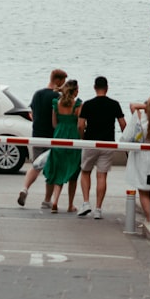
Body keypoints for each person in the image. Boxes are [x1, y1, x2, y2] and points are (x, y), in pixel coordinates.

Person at [77, 75, 127, 219]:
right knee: (102, 175)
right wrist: (125, 140)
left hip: (90, 142)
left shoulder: (87, 104)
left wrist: (82, 138)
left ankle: (86, 202)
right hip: (108, 143)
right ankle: (98, 209)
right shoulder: (114, 104)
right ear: (107, 88)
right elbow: (123, 124)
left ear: (94, 88)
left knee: (85, 172)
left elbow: (80, 125)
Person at [17, 68, 67, 209]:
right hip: (52, 137)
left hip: (37, 134)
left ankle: (25, 188)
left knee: (36, 165)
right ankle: (46, 200)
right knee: (51, 169)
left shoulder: (37, 94)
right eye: (63, 82)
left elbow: (32, 114)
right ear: (58, 80)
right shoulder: (57, 97)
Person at [42, 79, 82, 213]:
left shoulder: (56, 103)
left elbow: (54, 124)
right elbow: (80, 125)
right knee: (73, 172)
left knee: (58, 169)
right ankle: (70, 204)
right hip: (73, 136)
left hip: (59, 136)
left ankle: (55, 201)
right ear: (74, 90)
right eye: (78, 89)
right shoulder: (77, 105)